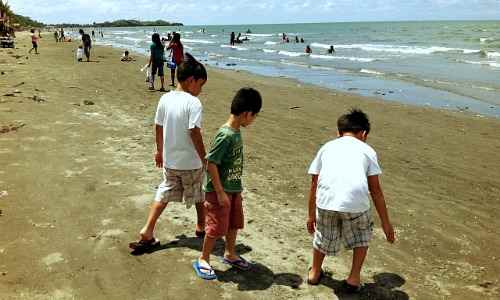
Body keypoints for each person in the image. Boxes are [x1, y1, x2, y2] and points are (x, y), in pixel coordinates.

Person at [306, 109, 395, 292]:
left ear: (338, 132)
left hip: (326, 202)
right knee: (361, 237)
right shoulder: (367, 150)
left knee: (323, 235)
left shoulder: (326, 147)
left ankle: (314, 273)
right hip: (355, 204)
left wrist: (310, 215)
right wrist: (386, 223)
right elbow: (375, 190)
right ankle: (353, 278)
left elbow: (314, 183)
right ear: (363, 133)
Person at [129, 53, 208, 252]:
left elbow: (158, 126)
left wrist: (159, 151)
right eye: (201, 85)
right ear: (191, 81)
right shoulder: (193, 103)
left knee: (163, 194)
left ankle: (148, 229)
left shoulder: (165, 98)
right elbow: (194, 132)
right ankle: (201, 225)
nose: (200, 90)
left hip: (170, 161)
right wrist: (204, 157)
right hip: (191, 162)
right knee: (199, 192)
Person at [194, 88, 263, 280]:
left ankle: (230, 253)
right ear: (246, 113)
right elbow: (211, 163)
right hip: (219, 191)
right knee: (215, 227)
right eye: (254, 116)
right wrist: (220, 192)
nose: (253, 120)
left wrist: (232, 191)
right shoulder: (225, 135)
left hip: (233, 188)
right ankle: (204, 258)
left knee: (234, 223)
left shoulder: (236, 131)